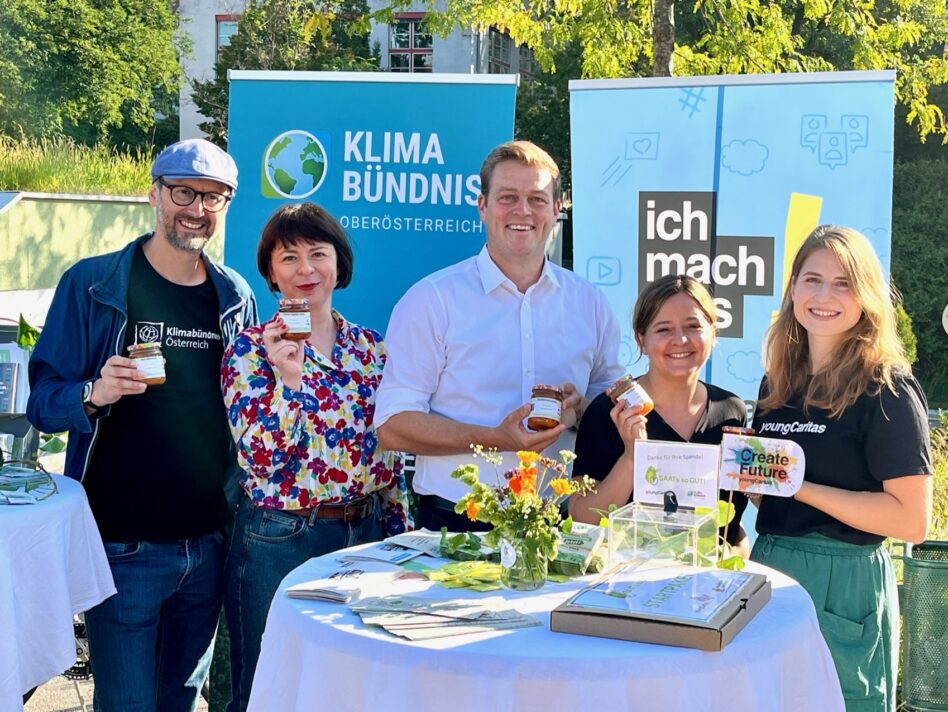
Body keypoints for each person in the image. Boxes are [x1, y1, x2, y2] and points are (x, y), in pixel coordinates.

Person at [26, 138, 259, 711]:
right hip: (121, 549)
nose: (197, 208)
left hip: (205, 546)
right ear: (154, 193)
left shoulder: (234, 296)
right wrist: (95, 392)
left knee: (179, 704)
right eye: (184, 191)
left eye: (214, 197)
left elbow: (247, 411)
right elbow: (43, 402)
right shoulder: (93, 284)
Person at [375, 140, 623, 532]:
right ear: (482, 206)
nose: (523, 211)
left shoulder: (589, 303)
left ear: (557, 209)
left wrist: (582, 410)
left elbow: (613, 412)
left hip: (561, 520)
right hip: (457, 519)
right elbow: (392, 425)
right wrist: (494, 438)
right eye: (508, 197)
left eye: (537, 199)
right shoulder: (432, 300)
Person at [221, 202, 411, 712]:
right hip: (279, 537)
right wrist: (289, 380)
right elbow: (262, 458)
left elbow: (387, 452)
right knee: (269, 683)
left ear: (338, 264)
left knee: (354, 682)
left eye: (317, 254)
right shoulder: (249, 350)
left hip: (364, 533)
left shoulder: (371, 349)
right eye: (288, 257)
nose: (305, 270)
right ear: (269, 271)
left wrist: (399, 531)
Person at [749, 225, 932, 712]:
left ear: (867, 295)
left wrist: (800, 487)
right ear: (792, 290)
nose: (824, 296)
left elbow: (911, 519)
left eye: (843, 283)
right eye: (812, 279)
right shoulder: (778, 382)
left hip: (845, 582)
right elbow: (772, 496)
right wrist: (755, 480)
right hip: (771, 565)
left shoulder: (886, 388)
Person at [569, 274, 749, 553]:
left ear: (713, 333)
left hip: (706, 586)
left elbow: (732, 530)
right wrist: (632, 457)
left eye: (693, 326)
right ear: (642, 340)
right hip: (625, 586)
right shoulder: (610, 412)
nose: (680, 339)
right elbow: (582, 518)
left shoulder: (731, 412)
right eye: (664, 329)